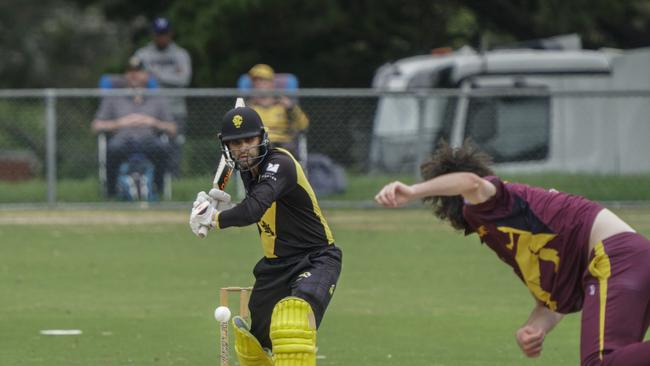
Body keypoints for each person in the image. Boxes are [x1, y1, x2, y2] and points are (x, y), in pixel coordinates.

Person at [375, 140, 650, 366]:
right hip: (627, 260)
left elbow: (469, 182)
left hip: (616, 258)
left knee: (600, 362)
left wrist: (413, 191)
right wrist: (533, 329)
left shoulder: (493, 203)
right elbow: (553, 302)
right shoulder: (509, 226)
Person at [189, 106, 342, 366]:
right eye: (236, 143)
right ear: (226, 146)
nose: (244, 148)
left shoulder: (279, 163)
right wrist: (227, 207)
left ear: (262, 137)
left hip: (315, 258)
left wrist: (215, 219)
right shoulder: (249, 171)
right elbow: (258, 206)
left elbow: (254, 209)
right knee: (255, 346)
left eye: (249, 140)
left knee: (293, 320)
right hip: (275, 267)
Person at [91, 56, 177, 197]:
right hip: (122, 142)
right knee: (112, 149)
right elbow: (95, 126)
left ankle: (158, 189)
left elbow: (173, 129)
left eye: (138, 71)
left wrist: (153, 122)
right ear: (126, 75)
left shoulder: (158, 99)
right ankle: (111, 192)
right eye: (130, 71)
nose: (134, 75)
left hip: (148, 141)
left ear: (147, 76)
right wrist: (120, 123)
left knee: (163, 148)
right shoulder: (113, 97)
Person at [134, 17, 191, 135]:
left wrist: (156, 75)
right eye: (158, 33)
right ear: (153, 34)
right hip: (149, 110)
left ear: (170, 33)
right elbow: (133, 77)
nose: (162, 37)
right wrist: (173, 75)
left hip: (176, 109)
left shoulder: (181, 54)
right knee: (149, 146)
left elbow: (184, 79)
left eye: (164, 33)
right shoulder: (142, 54)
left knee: (175, 147)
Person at [246, 64, 309, 159]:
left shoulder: (284, 105)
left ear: (271, 83)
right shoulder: (249, 108)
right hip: (258, 147)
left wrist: (291, 108)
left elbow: (303, 125)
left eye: (263, 80)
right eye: (255, 81)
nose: (258, 84)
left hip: (283, 146)